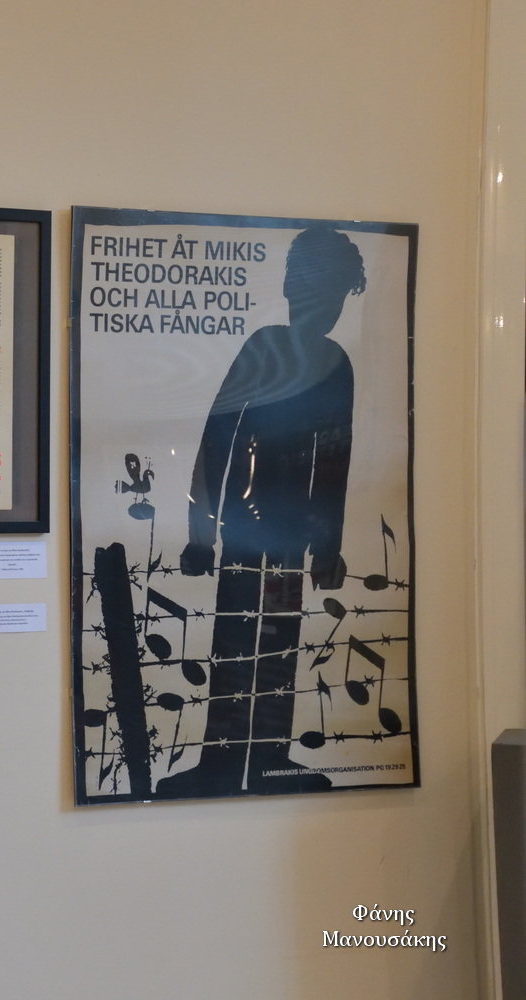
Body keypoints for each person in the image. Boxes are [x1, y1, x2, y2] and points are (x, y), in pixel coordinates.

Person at [157, 227, 365, 797]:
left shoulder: (333, 362)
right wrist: (202, 535)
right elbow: (216, 441)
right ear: (293, 285)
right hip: (248, 533)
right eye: (317, 286)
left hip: (286, 537)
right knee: (237, 639)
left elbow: (334, 462)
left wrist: (326, 546)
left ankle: (267, 757)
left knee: (275, 642)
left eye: (333, 291)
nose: (323, 303)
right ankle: (224, 762)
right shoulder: (269, 348)